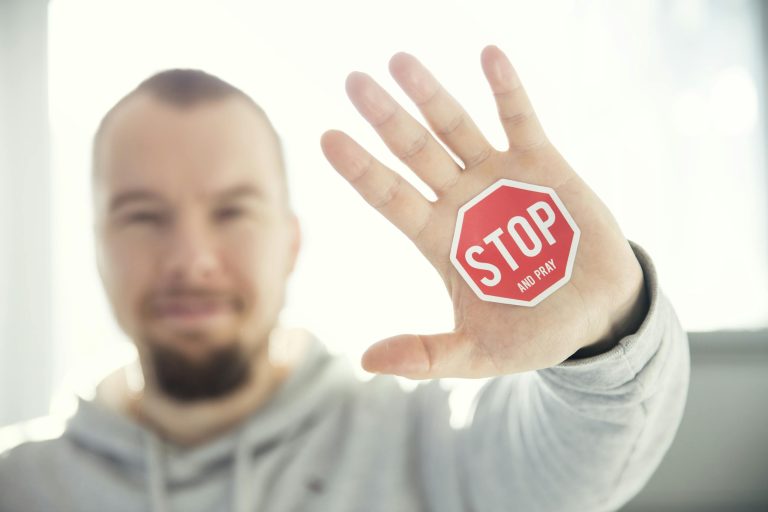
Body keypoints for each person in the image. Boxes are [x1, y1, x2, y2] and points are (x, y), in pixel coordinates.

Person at [0, 46, 689, 511]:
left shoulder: (426, 444)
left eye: (232, 212)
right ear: (97, 247)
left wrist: (605, 336)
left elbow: (586, 464)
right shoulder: (19, 485)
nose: (191, 258)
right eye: (143, 216)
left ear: (291, 243)